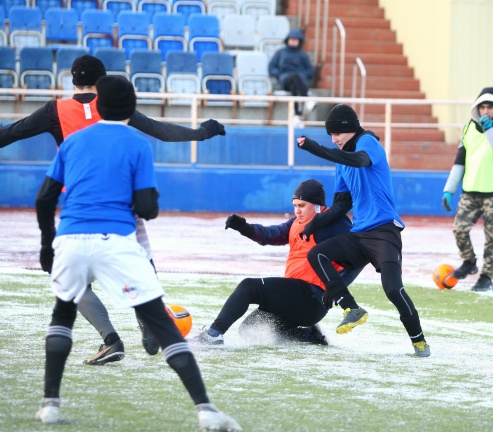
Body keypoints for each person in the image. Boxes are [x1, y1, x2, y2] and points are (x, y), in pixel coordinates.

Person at [34, 75, 242, 431]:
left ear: (99, 106)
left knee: (63, 313)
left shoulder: (73, 142)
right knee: (160, 322)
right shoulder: (137, 144)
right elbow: (147, 208)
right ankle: (207, 411)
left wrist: (46, 244)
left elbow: (44, 198)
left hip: (70, 238)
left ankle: (49, 405)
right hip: (116, 241)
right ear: (132, 107)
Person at [0, 54, 226, 365]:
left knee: (72, 280)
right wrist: (201, 132)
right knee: (141, 260)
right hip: (124, 205)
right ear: (103, 79)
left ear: (72, 80)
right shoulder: (114, 106)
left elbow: (10, 134)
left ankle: (110, 339)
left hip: (81, 208)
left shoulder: (55, 110)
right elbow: (161, 131)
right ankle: (147, 318)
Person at [296, 104, 431, 358]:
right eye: (330, 135)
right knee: (317, 254)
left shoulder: (367, 142)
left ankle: (419, 341)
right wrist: (313, 224)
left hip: (384, 231)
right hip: (359, 235)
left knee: (393, 289)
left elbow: (359, 160)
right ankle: (350, 307)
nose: (334, 140)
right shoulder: (341, 161)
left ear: (349, 129)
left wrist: (316, 149)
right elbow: (341, 205)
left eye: (337, 133)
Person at [193, 179, 359, 346]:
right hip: (295, 300)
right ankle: (310, 335)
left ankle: (213, 335)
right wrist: (244, 228)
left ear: (318, 206)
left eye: (302, 205)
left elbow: (358, 256)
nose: (297, 210)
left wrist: (336, 287)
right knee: (251, 329)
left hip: (311, 297)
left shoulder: (334, 222)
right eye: (295, 206)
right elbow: (269, 235)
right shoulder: (296, 223)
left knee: (248, 286)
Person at [442, 87, 493, 292]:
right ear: (477, 108)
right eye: (482, 107)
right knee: (459, 229)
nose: (486, 111)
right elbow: (459, 162)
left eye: (490, 107)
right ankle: (469, 261)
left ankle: (486, 277)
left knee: (492, 238)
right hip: (470, 191)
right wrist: (449, 190)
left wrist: (489, 130)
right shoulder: (468, 129)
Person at [268, 28, 316, 128]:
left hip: (299, 81)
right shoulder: (280, 52)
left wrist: (303, 75)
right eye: (291, 38)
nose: (293, 41)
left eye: (296, 39)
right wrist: (279, 74)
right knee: (294, 78)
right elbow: (271, 67)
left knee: (296, 84)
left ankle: (298, 116)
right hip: (285, 79)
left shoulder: (303, 55)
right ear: (288, 40)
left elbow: (311, 71)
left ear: (299, 41)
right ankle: (307, 100)